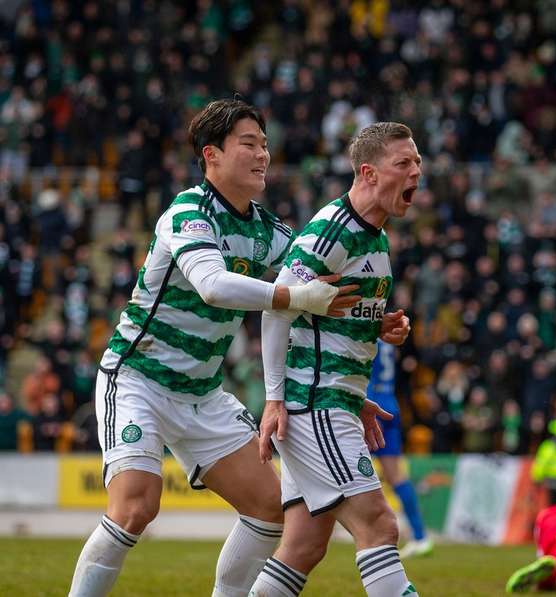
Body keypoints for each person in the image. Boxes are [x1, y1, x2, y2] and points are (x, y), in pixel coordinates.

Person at [68, 98, 389, 597]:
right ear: (211, 154)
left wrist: (372, 331)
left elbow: (315, 290)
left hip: (204, 393)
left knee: (270, 508)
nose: (263, 154)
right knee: (136, 506)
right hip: (138, 380)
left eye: (264, 144)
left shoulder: (269, 231)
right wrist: (292, 294)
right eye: (249, 144)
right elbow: (215, 286)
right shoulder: (188, 212)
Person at [250, 122, 420, 597]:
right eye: (403, 163)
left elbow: (325, 316)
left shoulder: (377, 236)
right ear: (368, 172)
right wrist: (274, 399)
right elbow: (276, 307)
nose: (416, 172)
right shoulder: (330, 232)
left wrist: (381, 325)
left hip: (333, 401)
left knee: (304, 545)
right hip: (313, 404)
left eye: (418, 163)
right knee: (380, 527)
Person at [368, 338, 433, 559]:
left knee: (349, 469)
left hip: (371, 406)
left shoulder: (364, 333)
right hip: (390, 406)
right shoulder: (387, 342)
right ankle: (420, 536)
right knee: (396, 476)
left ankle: (369, 533)